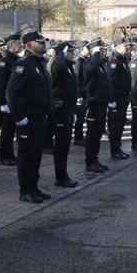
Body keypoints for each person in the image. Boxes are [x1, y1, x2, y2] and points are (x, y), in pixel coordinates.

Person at [6, 31, 54, 203]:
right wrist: (19, 117)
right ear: (28, 45)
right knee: (27, 156)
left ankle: (34, 187)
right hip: (28, 118)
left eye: (43, 42)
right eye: (39, 42)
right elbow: (12, 93)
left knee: (36, 155)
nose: (43, 44)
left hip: (40, 116)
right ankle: (25, 190)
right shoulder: (24, 64)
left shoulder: (39, 63)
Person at [48, 41, 79, 188]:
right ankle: (60, 177)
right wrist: (60, 52)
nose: (74, 54)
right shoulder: (58, 66)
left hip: (67, 110)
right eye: (71, 52)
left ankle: (63, 174)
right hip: (60, 111)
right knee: (60, 146)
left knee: (65, 145)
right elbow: (58, 67)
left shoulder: (68, 66)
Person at [82, 39, 112, 172]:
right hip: (94, 103)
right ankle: (90, 162)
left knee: (98, 132)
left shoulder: (100, 64)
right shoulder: (90, 63)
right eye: (100, 50)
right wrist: (94, 54)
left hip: (101, 102)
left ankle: (95, 159)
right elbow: (89, 71)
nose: (103, 52)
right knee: (92, 134)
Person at [0, 33, 22, 165]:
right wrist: (3, 103)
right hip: (7, 101)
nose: (21, 45)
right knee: (6, 130)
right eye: (18, 43)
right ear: (11, 45)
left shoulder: (15, 60)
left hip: (14, 101)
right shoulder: (5, 61)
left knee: (11, 130)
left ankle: (10, 153)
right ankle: (4, 156)